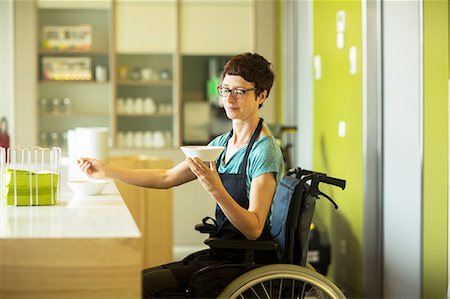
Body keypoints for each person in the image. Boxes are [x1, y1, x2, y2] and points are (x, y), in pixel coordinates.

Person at [77, 52, 285, 298]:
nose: (230, 98)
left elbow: (253, 229)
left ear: (261, 95)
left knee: (147, 286)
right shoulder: (222, 144)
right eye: (225, 89)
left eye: (239, 91)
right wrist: (105, 170)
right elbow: (165, 178)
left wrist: (215, 189)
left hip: (246, 262)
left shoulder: (264, 150)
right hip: (223, 253)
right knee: (142, 280)